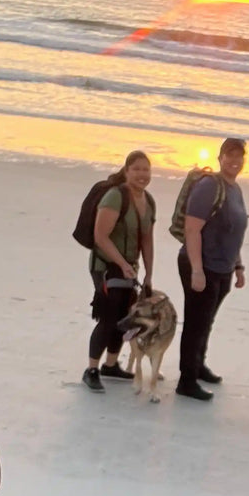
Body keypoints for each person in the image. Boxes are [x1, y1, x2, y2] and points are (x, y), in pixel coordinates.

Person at [177, 138, 249, 402]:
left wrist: (239, 266)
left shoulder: (236, 189)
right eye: (229, 155)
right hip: (200, 265)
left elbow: (234, 233)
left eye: (239, 156)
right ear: (220, 158)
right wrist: (197, 270)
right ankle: (186, 380)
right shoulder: (209, 186)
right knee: (196, 322)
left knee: (207, 320)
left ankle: (198, 366)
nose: (234, 160)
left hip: (224, 267)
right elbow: (192, 229)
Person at [84, 151, 156, 394]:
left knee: (125, 317)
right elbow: (100, 236)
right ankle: (92, 369)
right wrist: (122, 264)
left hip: (129, 268)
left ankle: (111, 365)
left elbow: (147, 239)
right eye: (136, 169)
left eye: (146, 170)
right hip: (106, 265)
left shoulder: (149, 201)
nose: (141, 174)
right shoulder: (115, 197)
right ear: (126, 171)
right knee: (108, 316)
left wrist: (148, 273)